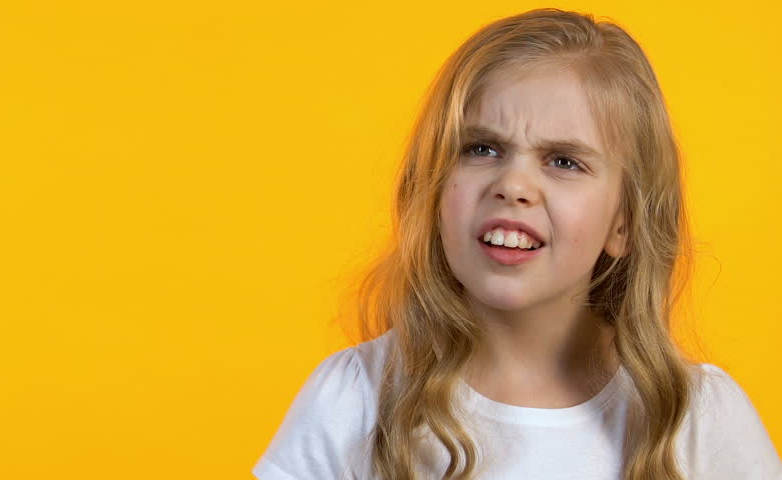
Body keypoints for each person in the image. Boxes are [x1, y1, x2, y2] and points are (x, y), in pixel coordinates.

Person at [252, 7, 782, 480]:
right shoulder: (355, 398)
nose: (513, 185)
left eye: (564, 161)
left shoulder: (698, 421)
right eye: (482, 148)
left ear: (623, 223)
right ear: (434, 190)